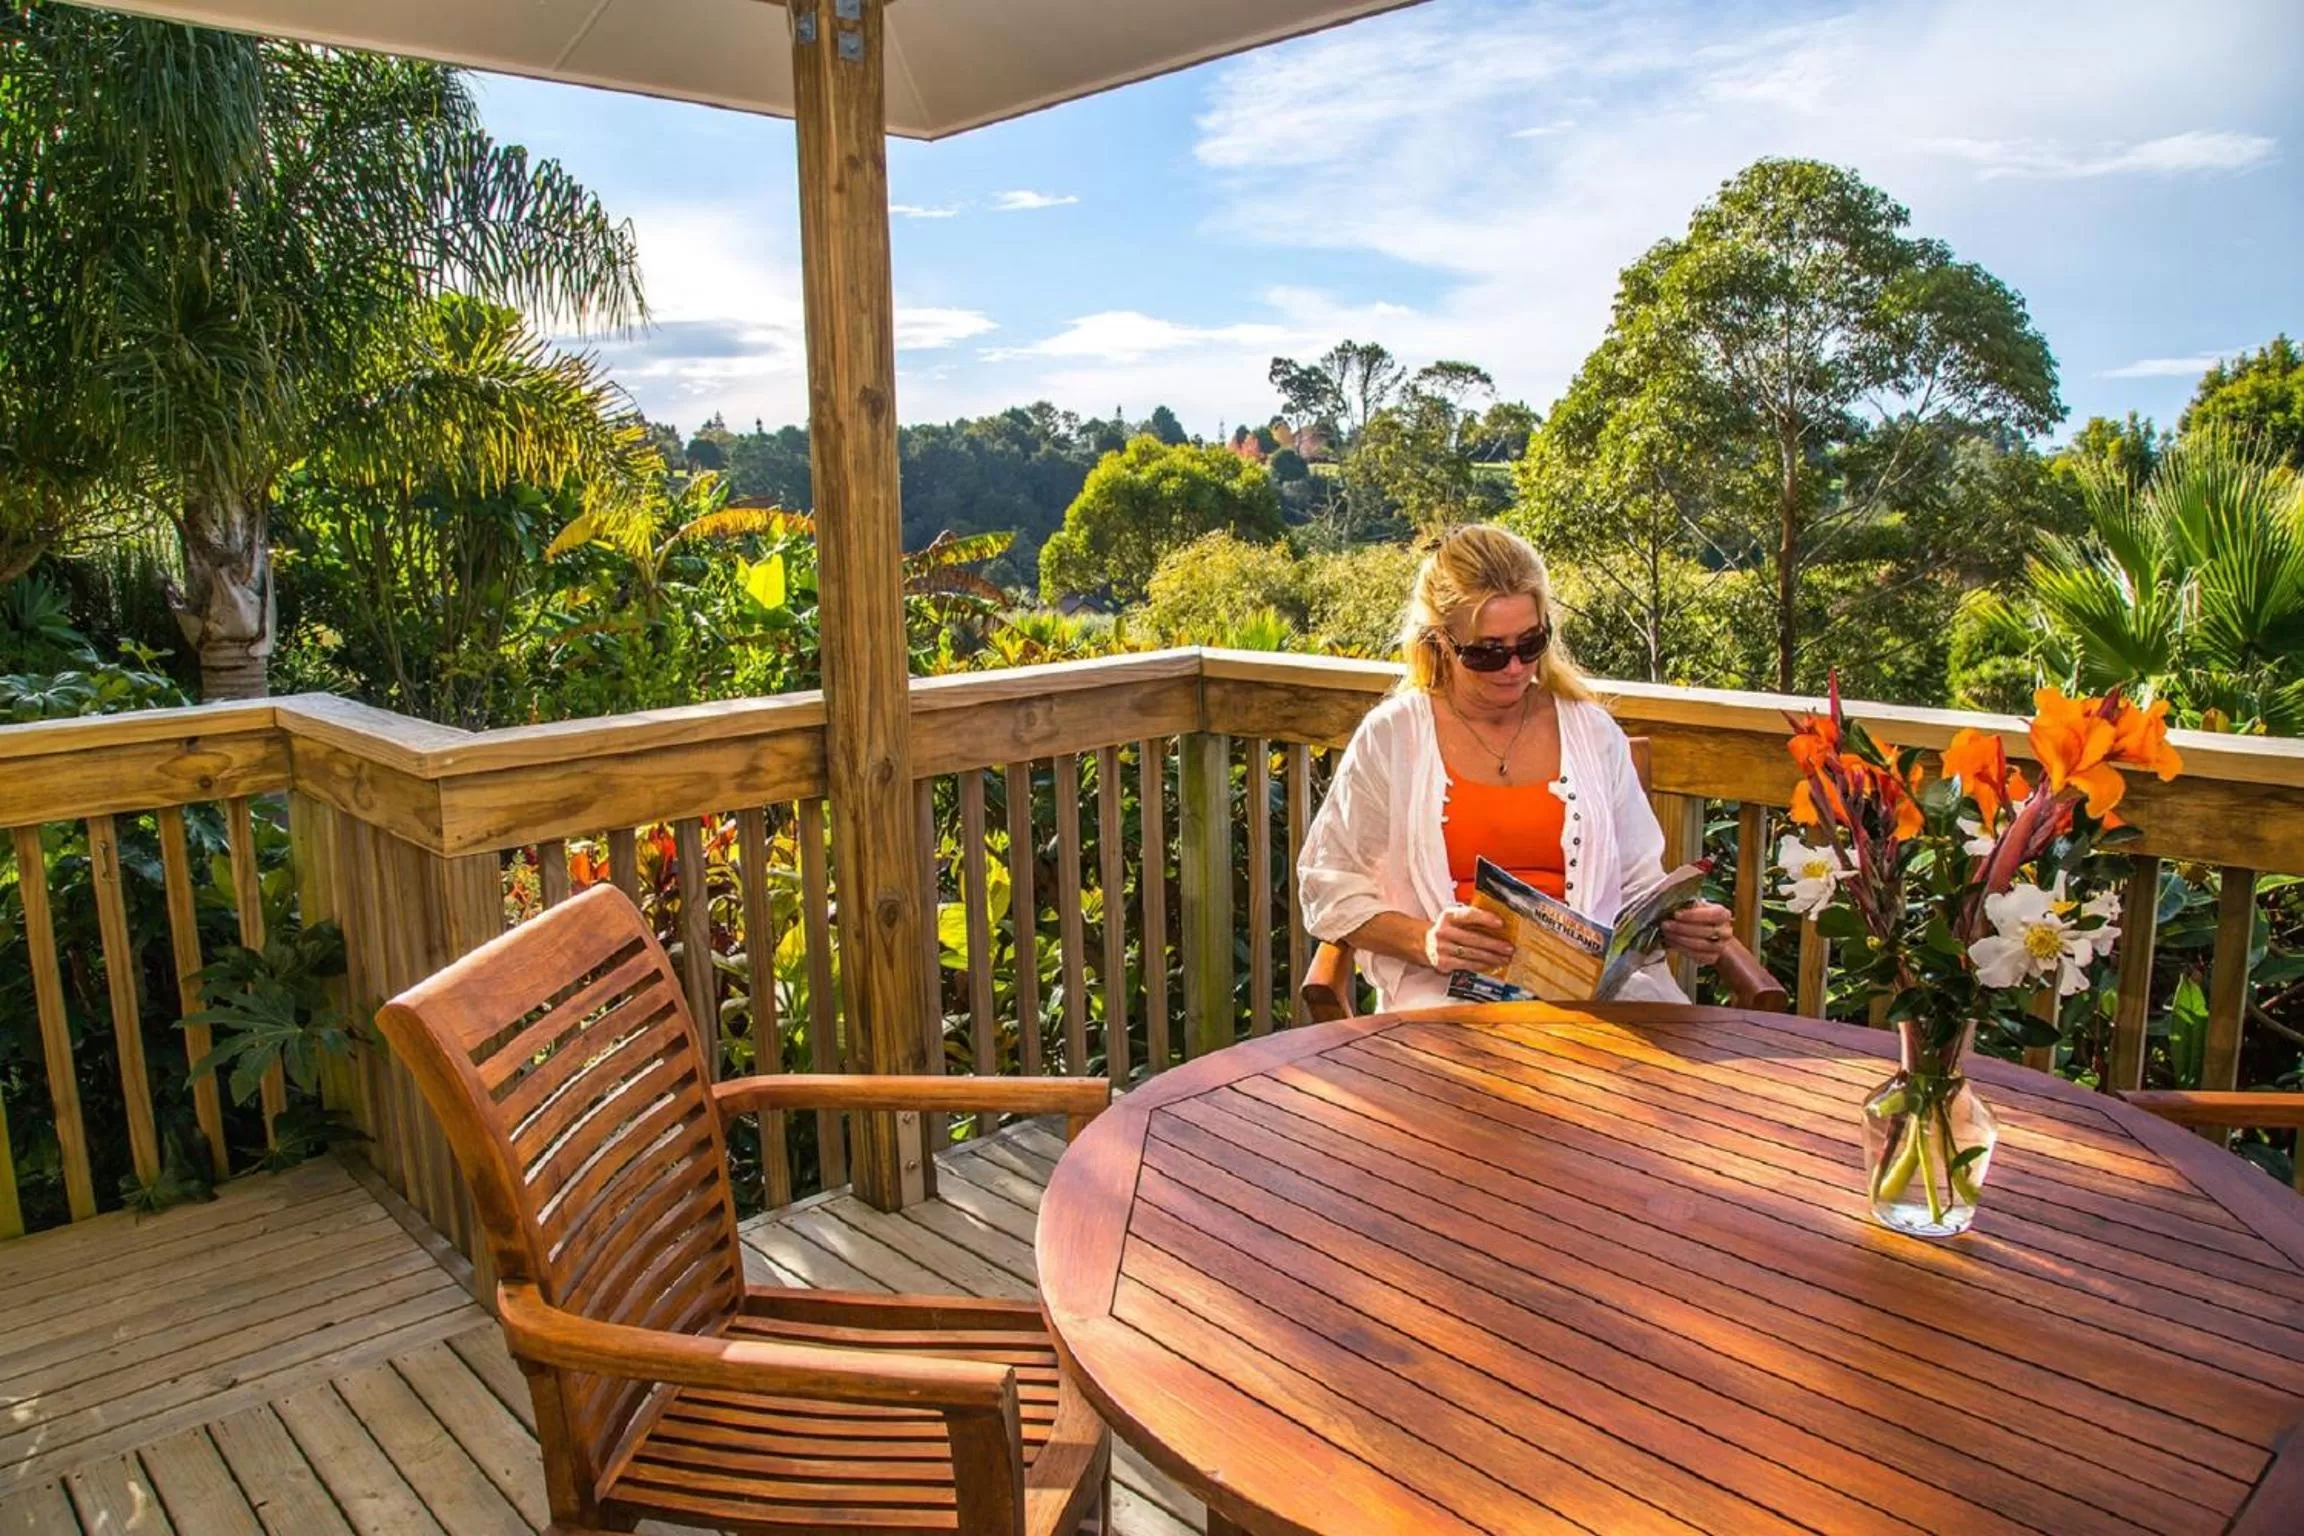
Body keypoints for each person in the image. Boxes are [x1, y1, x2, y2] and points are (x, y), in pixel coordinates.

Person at [1297, 523, 1736, 1011]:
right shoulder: (1393, 736)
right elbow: (1328, 884)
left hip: (1596, 1007)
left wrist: (1683, 923)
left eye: (1530, 643)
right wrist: (1425, 940)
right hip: (1445, 1003)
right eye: (1487, 652)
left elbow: (1638, 885)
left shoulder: (1590, 731)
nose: (1514, 668)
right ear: (1441, 642)